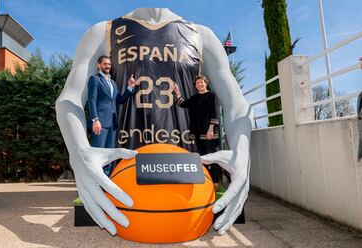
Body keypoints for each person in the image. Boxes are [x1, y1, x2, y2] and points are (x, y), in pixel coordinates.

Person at [56, 8, 251, 236]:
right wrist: (78, 148)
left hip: (186, 171)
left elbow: (237, 104)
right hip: (127, 170)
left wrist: (242, 151)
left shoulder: (201, 35)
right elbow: (69, 99)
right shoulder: (103, 32)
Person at [87, 55, 135, 175]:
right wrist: (95, 120)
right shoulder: (95, 79)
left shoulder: (113, 83)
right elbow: (92, 100)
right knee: (98, 154)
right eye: (105, 64)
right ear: (99, 65)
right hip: (100, 123)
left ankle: (106, 182)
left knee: (109, 155)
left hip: (112, 123)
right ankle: (96, 183)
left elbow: (119, 100)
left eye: (109, 64)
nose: (107, 66)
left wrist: (130, 87)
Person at [173, 75, 222, 191]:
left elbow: (214, 113)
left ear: (206, 83)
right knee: (201, 157)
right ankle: (205, 180)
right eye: (198, 83)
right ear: (195, 86)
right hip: (198, 133)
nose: (200, 84)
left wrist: (211, 129)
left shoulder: (211, 96)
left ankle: (215, 181)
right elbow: (182, 104)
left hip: (209, 133)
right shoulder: (194, 98)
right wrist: (177, 91)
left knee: (212, 158)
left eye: (202, 82)